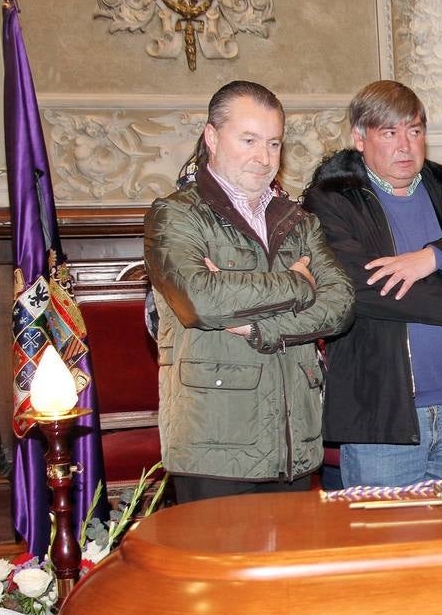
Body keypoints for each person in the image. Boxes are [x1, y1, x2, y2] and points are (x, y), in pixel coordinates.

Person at [302, 80, 442, 487]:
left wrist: (431, 258)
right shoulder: (333, 199)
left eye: (415, 131)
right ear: (359, 138)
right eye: (389, 132)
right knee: (387, 544)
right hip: (381, 415)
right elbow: (356, 286)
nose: (405, 145)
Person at [144, 80, 353, 505]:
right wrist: (298, 284)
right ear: (212, 137)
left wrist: (263, 330)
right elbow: (200, 299)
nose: (263, 158)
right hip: (215, 444)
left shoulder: (298, 220)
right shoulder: (176, 215)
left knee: (289, 573)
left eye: (273, 143)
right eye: (249, 140)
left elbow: (340, 305)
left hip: (294, 443)